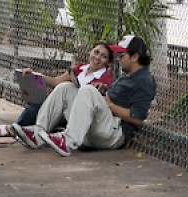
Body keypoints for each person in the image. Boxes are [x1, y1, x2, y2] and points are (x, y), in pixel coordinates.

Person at [12, 35, 156, 157]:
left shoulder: (144, 80)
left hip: (113, 134)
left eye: (121, 55)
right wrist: (104, 91)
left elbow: (137, 118)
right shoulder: (127, 75)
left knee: (87, 90)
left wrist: (109, 104)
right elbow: (57, 82)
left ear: (135, 57)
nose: (118, 59)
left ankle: (68, 141)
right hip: (96, 126)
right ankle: (38, 132)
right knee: (66, 88)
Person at [0, 40, 114, 137]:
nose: (97, 57)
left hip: (75, 113)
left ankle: (16, 131)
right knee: (34, 109)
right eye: (96, 52)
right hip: (59, 106)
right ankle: (16, 128)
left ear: (108, 62)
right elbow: (56, 82)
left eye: (103, 56)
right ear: (91, 51)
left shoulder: (105, 78)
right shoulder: (79, 69)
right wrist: (35, 76)